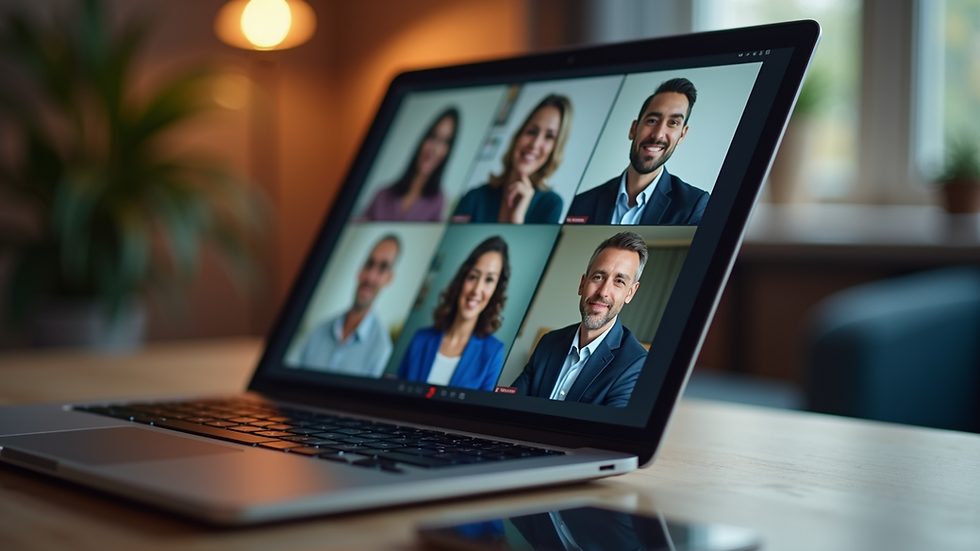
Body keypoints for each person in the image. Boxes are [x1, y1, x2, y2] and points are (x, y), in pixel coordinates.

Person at [511, 232, 648, 407]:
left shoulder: (636, 365)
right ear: (582, 284)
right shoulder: (548, 342)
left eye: (619, 281)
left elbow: (608, 432)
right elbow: (512, 406)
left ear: (630, 293)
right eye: (598, 277)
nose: (603, 292)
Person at [566, 78, 708, 225]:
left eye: (673, 123)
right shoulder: (580, 203)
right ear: (634, 129)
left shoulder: (693, 206)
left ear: (682, 135)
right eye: (652, 120)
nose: (658, 134)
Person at [397, 236, 510, 391]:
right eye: (473, 277)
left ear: (496, 291)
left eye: (489, 280)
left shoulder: (493, 353)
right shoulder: (420, 339)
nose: (477, 290)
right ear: (462, 280)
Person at [453, 95, 572, 224]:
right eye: (532, 132)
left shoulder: (551, 205)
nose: (535, 144)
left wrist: (517, 219)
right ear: (518, 136)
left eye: (549, 136)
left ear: (555, 149)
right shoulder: (474, 197)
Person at [295, 235, 400, 377]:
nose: (370, 276)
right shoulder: (318, 331)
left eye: (382, 268)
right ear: (360, 270)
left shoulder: (382, 350)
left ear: (389, 279)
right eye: (369, 264)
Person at [362, 108, 459, 221]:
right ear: (423, 140)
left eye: (445, 142)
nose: (435, 150)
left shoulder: (439, 201)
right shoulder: (382, 195)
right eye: (433, 137)